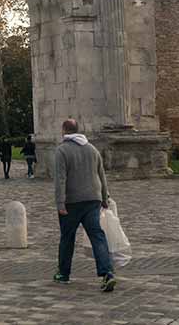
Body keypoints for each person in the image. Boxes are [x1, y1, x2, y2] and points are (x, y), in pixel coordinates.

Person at [53, 119, 115, 291]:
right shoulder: (92, 149)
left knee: (67, 238)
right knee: (97, 236)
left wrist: (60, 202)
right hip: (92, 199)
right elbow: (101, 176)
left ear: (65, 130)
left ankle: (63, 274)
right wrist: (105, 198)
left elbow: (60, 179)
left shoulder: (62, 150)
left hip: (72, 201)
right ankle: (107, 273)